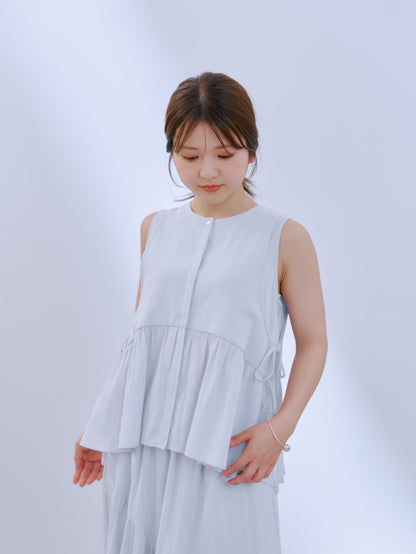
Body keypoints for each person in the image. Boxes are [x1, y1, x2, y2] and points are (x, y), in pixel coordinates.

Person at [73, 71, 328, 553]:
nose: (207, 171)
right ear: (172, 152)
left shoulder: (285, 238)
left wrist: (281, 428)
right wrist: (102, 423)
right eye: (189, 157)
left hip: (229, 448)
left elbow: (313, 342)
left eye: (225, 155)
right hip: (144, 445)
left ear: (251, 151)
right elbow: (141, 343)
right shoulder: (154, 229)